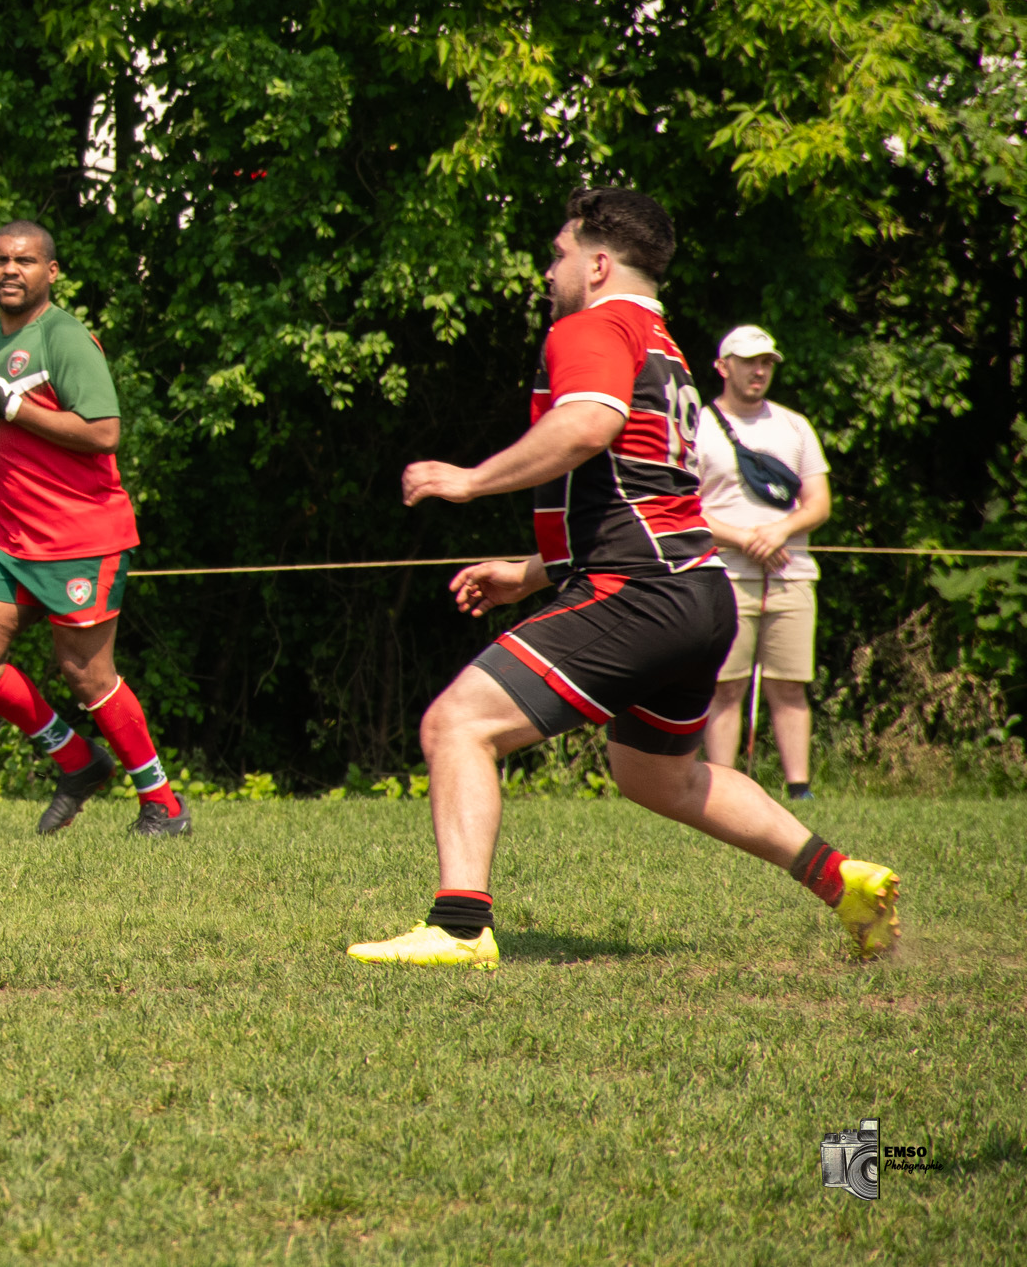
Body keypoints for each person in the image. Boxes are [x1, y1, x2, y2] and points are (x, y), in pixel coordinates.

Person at [349, 187, 898, 970]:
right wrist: (535, 573)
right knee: (659, 775)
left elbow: (587, 425)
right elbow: (645, 498)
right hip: (698, 593)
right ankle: (843, 879)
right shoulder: (665, 346)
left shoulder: (592, 324)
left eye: (559, 253)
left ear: (598, 262)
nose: (549, 271)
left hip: (641, 592)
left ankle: (460, 927)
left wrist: (469, 481)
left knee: (457, 725)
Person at [0, 222, 190, 837]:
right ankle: (77, 763)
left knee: (85, 674)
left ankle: (164, 804)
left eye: (24, 260)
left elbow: (103, 431)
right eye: (0, 260)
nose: (9, 270)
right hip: (14, 537)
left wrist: (14, 410)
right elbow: (2, 416)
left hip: (82, 535)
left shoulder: (66, 336)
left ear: (51, 272)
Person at [692, 324, 832, 800]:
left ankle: (800, 789)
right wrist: (744, 539)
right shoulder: (698, 426)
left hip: (791, 574)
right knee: (724, 688)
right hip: (723, 574)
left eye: (767, 362)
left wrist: (779, 532)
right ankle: (720, 789)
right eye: (750, 361)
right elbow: (681, 509)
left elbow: (818, 503)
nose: (759, 370)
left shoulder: (795, 426)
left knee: (790, 685)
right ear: (722, 366)